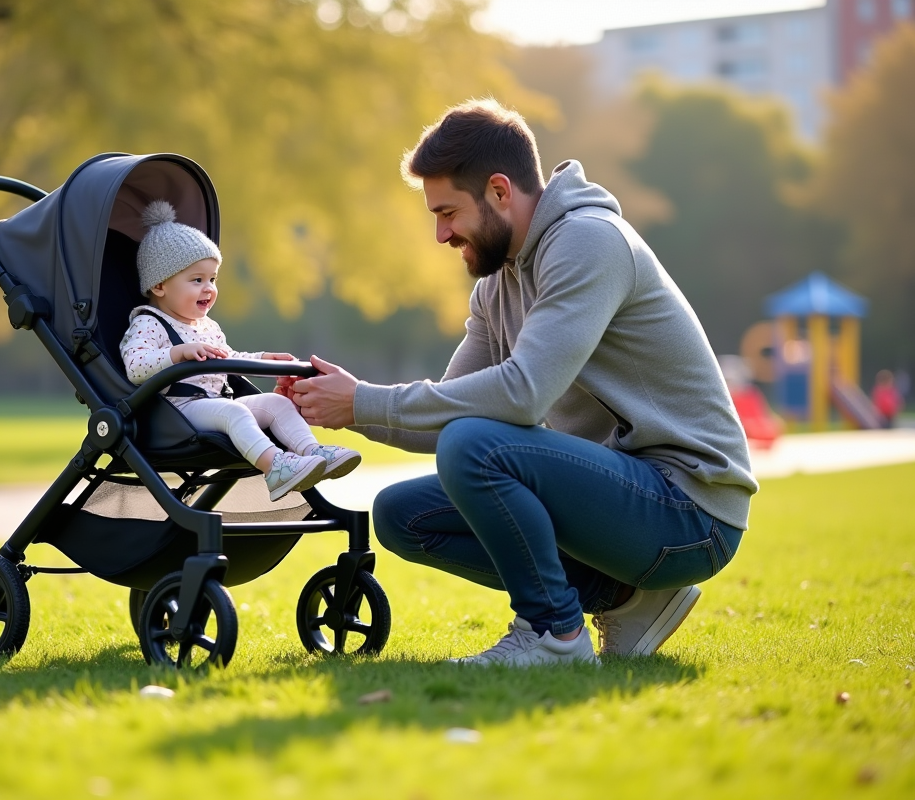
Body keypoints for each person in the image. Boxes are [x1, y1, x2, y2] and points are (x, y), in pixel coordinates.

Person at [283, 99, 758, 667]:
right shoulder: (496, 285)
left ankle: (554, 635)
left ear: (501, 192)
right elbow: (448, 416)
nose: (440, 234)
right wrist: (343, 405)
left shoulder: (588, 241)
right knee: (400, 515)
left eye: (449, 212)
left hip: (691, 510)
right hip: (624, 499)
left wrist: (366, 400)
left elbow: (524, 393)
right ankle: (625, 596)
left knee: (473, 447)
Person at [120, 200, 361, 501]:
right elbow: (136, 366)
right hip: (176, 412)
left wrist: (262, 359)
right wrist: (177, 353)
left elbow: (226, 357)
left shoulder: (206, 325)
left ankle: (313, 452)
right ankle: (275, 467)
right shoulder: (148, 322)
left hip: (215, 406)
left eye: (212, 279)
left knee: (277, 404)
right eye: (197, 280)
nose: (208, 288)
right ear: (159, 286)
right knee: (233, 411)